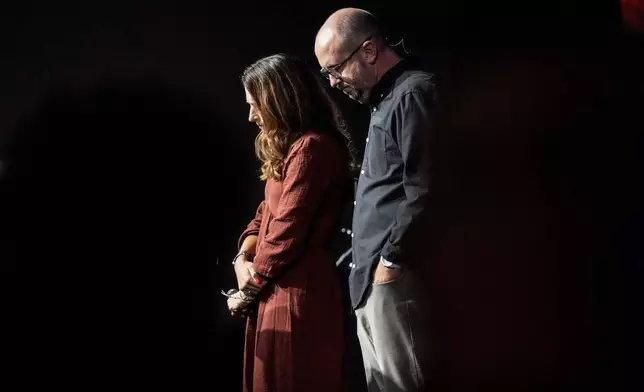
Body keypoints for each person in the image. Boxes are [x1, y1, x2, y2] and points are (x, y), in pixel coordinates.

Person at [315, 8, 436, 391]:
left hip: (392, 281)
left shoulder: (414, 93)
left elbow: (426, 189)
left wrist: (391, 260)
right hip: (374, 282)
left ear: (368, 51)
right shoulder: (386, 100)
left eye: (335, 69)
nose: (333, 83)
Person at [227, 53, 358, 392]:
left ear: (279, 100)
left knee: (291, 379)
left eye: (256, 105)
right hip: (274, 288)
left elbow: (287, 229)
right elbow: (263, 216)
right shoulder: (291, 149)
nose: (251, 115)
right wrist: (241, 259)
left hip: (298, 292)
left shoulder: (313, 148)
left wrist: (248, 288)